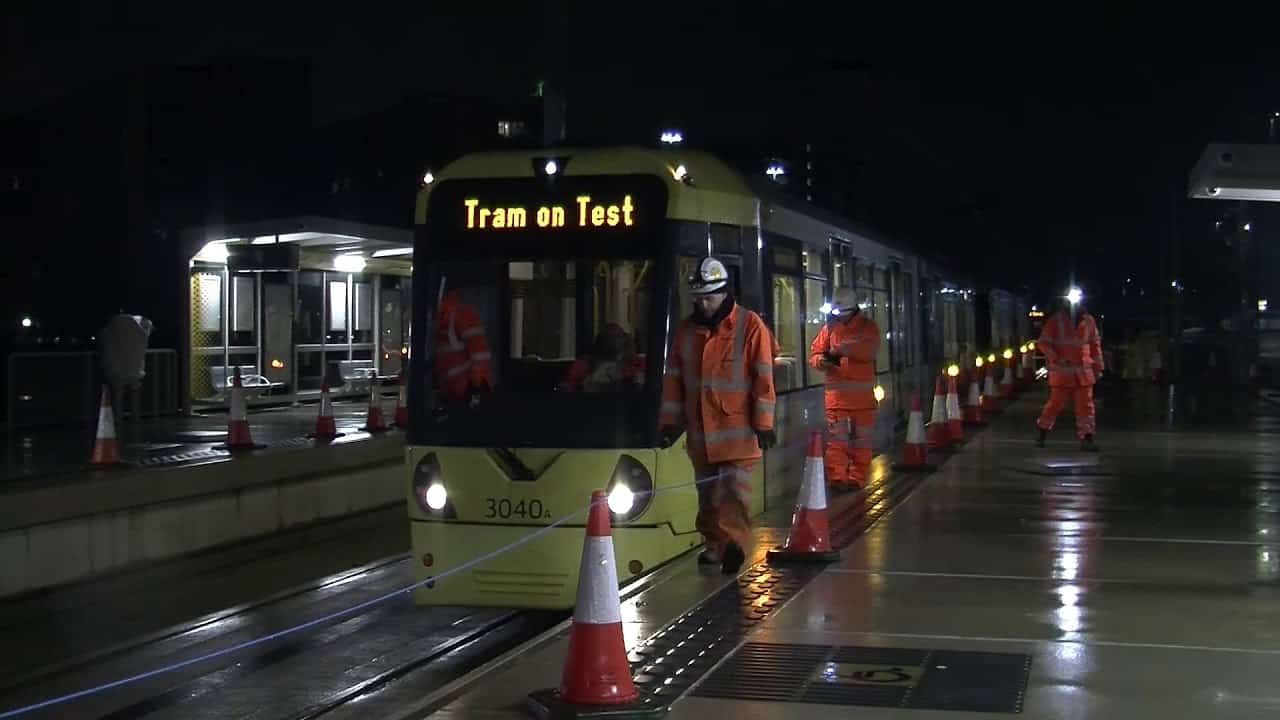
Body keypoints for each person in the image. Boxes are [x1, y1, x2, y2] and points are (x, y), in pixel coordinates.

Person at [659, 257, 777, 574]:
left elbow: (763, 377)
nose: (702, 304)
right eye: (697, 298)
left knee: (734, 494)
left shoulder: (750, 326)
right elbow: (674, 380)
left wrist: (764, 424)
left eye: (708, 298)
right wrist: (669, 424)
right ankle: (715, 545)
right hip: (701, 437)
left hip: (738, 435)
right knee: (708, 498)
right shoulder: (686, 331)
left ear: (724, 293)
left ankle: (735, 544)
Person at [808, 288, 880, 491]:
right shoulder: (829, 328)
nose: (840, 317)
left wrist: (843, 349)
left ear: (853, 309)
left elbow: (870, 351)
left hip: (861, 400)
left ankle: (857, 478)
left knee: (862, 441)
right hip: (837, 399)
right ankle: (837, 479)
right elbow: (813, 354)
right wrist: (821, 361)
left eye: (844, 313)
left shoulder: (868, 327)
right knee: (836, 441)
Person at [1035, 287, 1104, 451]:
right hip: (1062, 373)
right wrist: (1056, 358)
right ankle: (1042, 433)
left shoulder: (1089, 321)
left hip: (1083, 374)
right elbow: (1043, 343)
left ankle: (1087, 438)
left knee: (1086, 408)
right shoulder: (1056, 321)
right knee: (1054, 405)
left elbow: (1095, 345)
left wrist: (1098, 367)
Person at [435, 289, 492, 405]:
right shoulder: (439, 317)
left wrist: (476, 392)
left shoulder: (462, 315)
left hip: (463, 395)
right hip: (450, 396)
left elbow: (480, 358)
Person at [559, 323, 645, 392]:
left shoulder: (636, 363)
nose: (614, 341)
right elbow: (567, 389)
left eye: (619, 336)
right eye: (609, 337)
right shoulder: (583, 364)